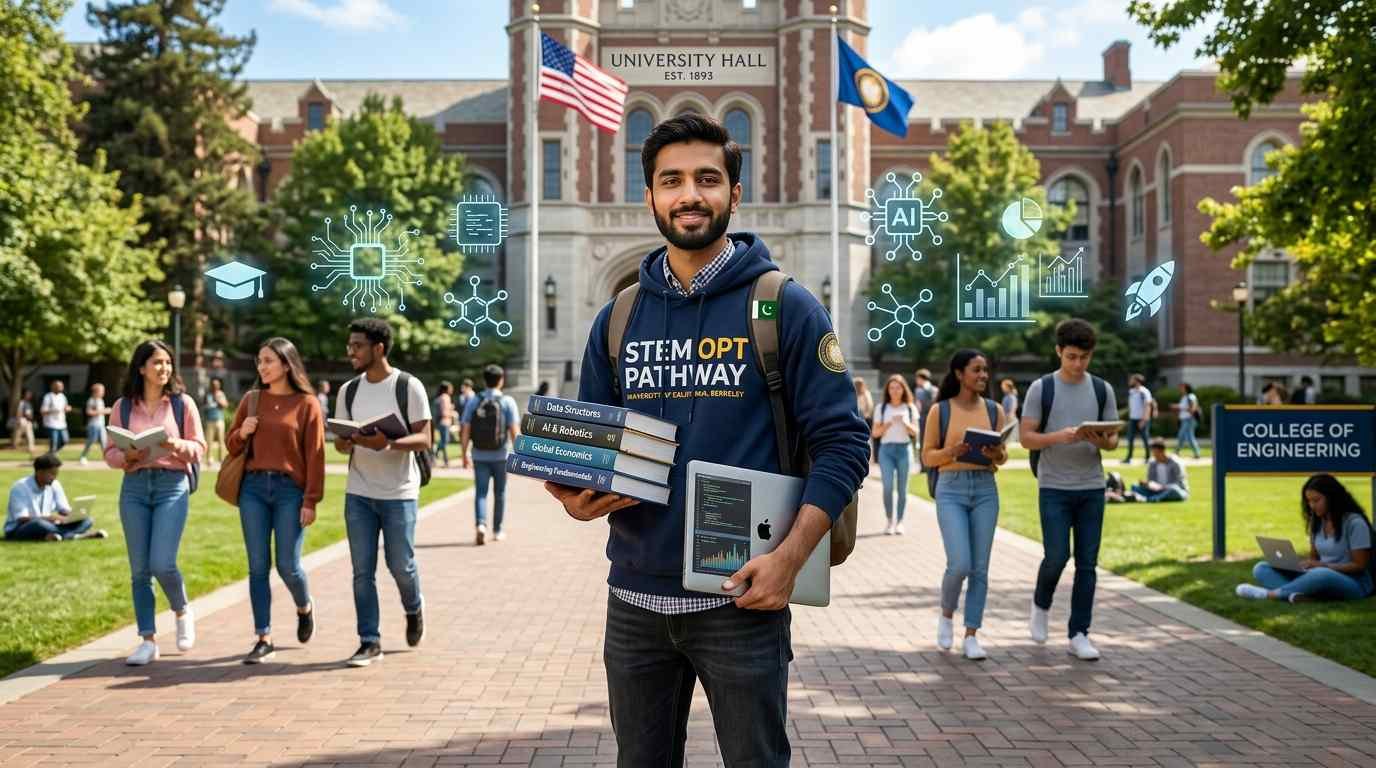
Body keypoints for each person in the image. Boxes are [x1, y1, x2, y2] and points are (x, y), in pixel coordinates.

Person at [551, 114, 869, 765]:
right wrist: (574, 497)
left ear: (733, 192)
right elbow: (593, 450)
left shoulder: (785, 305)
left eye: (706, 178)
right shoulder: (619, 318)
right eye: (671, 180)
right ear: (650, 197)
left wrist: (788, 560)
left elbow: (843, 444)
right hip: (634, 602)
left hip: (741, 598)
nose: (689, 194)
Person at [1020, 318, 1119, 661]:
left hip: (1092, 486)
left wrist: (1099, 439)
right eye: (1072, 356)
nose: (1078, 364)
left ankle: (1079, 633)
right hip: (1054, 487)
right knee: (1057, 556)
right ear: (1059, 351)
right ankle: (1041, 604)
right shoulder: (1041, 389)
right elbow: (1026, 437)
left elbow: (1114, 442)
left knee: (1087, 564)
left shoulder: (1102, 389)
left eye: (1085, 357)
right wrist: (1058, 437)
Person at [334, 318, 431, 667]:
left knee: (400, 565)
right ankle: (369, 640)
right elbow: (342, 447)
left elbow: (425, 438)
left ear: (378, 348)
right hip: (358, 491)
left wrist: (387, 443)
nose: (351, 352)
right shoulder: (349, 390)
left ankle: (414, 607)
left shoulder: (408, 386)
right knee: (362, 571)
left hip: (399, 492)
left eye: (357, 345)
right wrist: (346, 442)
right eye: (350, 345)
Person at [105, 340, 206, 666]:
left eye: (167, 362)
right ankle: (147, 640)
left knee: (163, 563)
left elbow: (199, 448)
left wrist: (173, 443)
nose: (164, 368)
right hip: (134, 487)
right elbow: (108, 452)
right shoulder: (122, 406)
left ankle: (182, 610)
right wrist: (126, 455)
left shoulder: (182, 404)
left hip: (171, 485)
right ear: (141, 368)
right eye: (157, 363)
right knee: (139, 570)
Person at [225, 338, 326, 665]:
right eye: (259, 361)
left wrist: (311, 499)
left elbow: (315, 456)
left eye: (268, 360)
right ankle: (263, 636)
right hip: (253, 489)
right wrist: (242, 432)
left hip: (289, 492)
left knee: (288, 565)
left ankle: (304, 606)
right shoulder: (252, 400)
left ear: (286, 364)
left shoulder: (307, 403)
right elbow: (231, 446)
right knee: (257, 567)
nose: (261, 366)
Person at [922, 350, 1007, 661]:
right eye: (976, 370)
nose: (983, 376)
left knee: (980, 568)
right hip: (951, 489)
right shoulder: (940, 411)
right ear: (959, 374)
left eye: (985, 371)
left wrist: (994, 453)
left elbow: (1002, 456)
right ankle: (946, 614)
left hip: (985, 487)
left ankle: (972, 634)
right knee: (960, 564)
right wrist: (953, 451)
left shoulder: (996, 410)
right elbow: (927, 457)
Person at [1236, 474, 1373, 602]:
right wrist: (1302, 565)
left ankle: (1270, 594)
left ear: (1332, 497)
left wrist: (1324, 566)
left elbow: (1359, 566)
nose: (1312, 506)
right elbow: (1314, 559)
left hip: (1354, 584)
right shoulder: (1318, 522)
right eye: (1309, 501)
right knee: (1261, 568)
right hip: (1321, 575)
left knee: (1321, 574)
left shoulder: (1355, 523)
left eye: (1316, 500)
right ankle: (1300, 596)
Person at [460, 364, 519, 545]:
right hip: (501, 455)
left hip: (479, 455)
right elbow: (514, 431)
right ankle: (498, 530)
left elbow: (466, 428)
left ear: (484, 380)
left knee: (481, 493)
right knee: (500, 493)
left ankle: (481, 525)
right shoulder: (507, 402)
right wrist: (518, 455)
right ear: (501, 380)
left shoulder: (474, 400)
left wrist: (464, 453)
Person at [6, 453, 106, 541]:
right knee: (39, 524)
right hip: (19, 529)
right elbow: (21, 518)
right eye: (52, 474)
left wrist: (74, 515)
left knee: (88, 520)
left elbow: (63, 509)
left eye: (56, 474)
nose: (54, 477)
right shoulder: (20, 487)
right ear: (39, 472)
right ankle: (74, 535)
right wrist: (49, 518)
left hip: (51, 525)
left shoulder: (54, 484)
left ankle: (58, 535)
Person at [872, 374, 917, 535]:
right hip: (887, 451)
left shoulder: (910, 408)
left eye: (898, 387)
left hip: (904, 450)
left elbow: (916, 432)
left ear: (903, 389)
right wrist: (889, 423)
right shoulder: (881, 408)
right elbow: (875, 433)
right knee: (888, 487)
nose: (895, 390)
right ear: (888, 390)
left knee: (903, 488)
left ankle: (900, 522)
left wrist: (905, 423)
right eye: (892, 387)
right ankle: (890, 520)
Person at [1123, 374, 1154, 464]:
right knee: (1130, 438)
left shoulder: (1144, 391)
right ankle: (1129, 457)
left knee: (1145, 438)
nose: (1130, 381)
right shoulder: (1131, 391)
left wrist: (1144, 420)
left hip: (1142, 419)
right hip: (1133, 419)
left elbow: (1147, 406)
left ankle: (1148, 457)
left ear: (1137, 381)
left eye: (1132, 379)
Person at [78, 383, 111, 465]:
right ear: (96, 391)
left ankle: (106, 458)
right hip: (93, 425)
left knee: (104, 442)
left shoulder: (100, 400)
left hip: (101, 425)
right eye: (101, 391)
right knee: (91, 441)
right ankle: (83, 456)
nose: (103, 392)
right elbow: (89, 412)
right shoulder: (92, 401)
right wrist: (104, 411)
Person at [912, 368, 938, 466]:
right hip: (928, 418)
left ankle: (925, 464)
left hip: (925, 418)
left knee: (925, 441)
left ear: (920, 378)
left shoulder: (921, 390)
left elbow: (919, 406)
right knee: (927, 441)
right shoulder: (933, 389)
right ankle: (926, 464)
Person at [202, 378, 229, 467]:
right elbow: (203, 406)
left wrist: (218, 400)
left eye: (216, 384)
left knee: (221, 441)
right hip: (210, 420)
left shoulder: (221, 394)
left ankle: (221, 459)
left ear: (219, 385)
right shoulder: (207, 394)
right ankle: (209, 459)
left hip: (219, 420)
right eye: (213, 384)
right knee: (209, 441)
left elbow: (225, 405)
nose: (214, 386)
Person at [41, 380, 72, 454]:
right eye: (59, 386)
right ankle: (52, 456)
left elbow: (65, 407)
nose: (61, 388)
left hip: (61, 423)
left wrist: (68, 408)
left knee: (65, 440)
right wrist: (53, 410)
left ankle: (51, 454)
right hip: (51, 423)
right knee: (54, 443)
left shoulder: (62, 396)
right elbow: (43, 411)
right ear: (53, 387)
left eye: (62, 386)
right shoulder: (48, 397)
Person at [1174, 382, 1202, 459]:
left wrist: (1180, 408)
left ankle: (1177, 452)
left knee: (1184, 436)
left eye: (1182, 387)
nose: (1180, 389)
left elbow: (1193, 408)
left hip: (1189, 419)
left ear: (1186, 388)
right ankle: (1178, 452)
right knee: (1185, 437)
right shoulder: (1184, 397)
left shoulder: (1191, 396)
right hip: (1184, 419)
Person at [431, 381, 455, 468]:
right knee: (445, 441)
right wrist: (452, 413)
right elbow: (444, 412)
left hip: (440, 423)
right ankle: (436, 453)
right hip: (445, 422)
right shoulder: (445, 397)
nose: (452, 389)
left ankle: (444, 460)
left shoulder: (439, 397)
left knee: (443, 441)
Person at [853, 377, 876, 463]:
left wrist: (866, 415)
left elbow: (869, 406)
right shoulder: (856, 393)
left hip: (863, 417)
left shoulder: (865, 393)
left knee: (866, 438)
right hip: (860, 417)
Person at [11, 389, 36, 456]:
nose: (29, 395)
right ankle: (14, 446)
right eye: (28, 394)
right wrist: (19, 420)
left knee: (30, 435)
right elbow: (19, 412)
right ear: (24, 395)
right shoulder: (22, 402)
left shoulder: (29, 403)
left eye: (30, 394)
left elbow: (29, 413)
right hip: (22, 420)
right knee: (18, 435)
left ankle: (31, 448)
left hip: (28, 421)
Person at [1000, 378, 1019, 444]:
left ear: (1008, 387)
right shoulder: (1005, 397)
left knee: (1011, 437)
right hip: (1006, 418)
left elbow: (1013, 408)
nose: (1002, 388)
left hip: (1010, 418)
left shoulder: (1012, 397)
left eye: (1003, 386)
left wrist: (1010, 416)